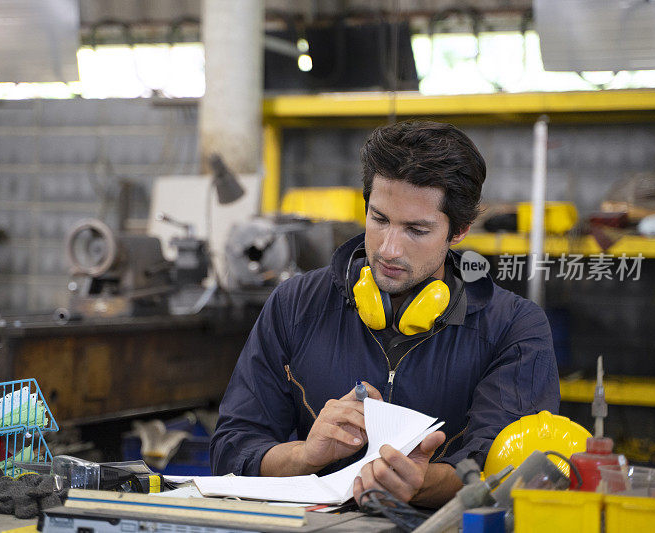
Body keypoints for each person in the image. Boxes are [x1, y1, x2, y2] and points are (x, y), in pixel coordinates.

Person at [210, 120, 560, 507]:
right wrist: (305, 456)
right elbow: (232, 448)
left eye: (416, 229)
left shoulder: (513, 327)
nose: (389, 249)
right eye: (379, 220)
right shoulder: (295, 305)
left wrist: (423, 483)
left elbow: (510, 472)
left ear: (458, 231)